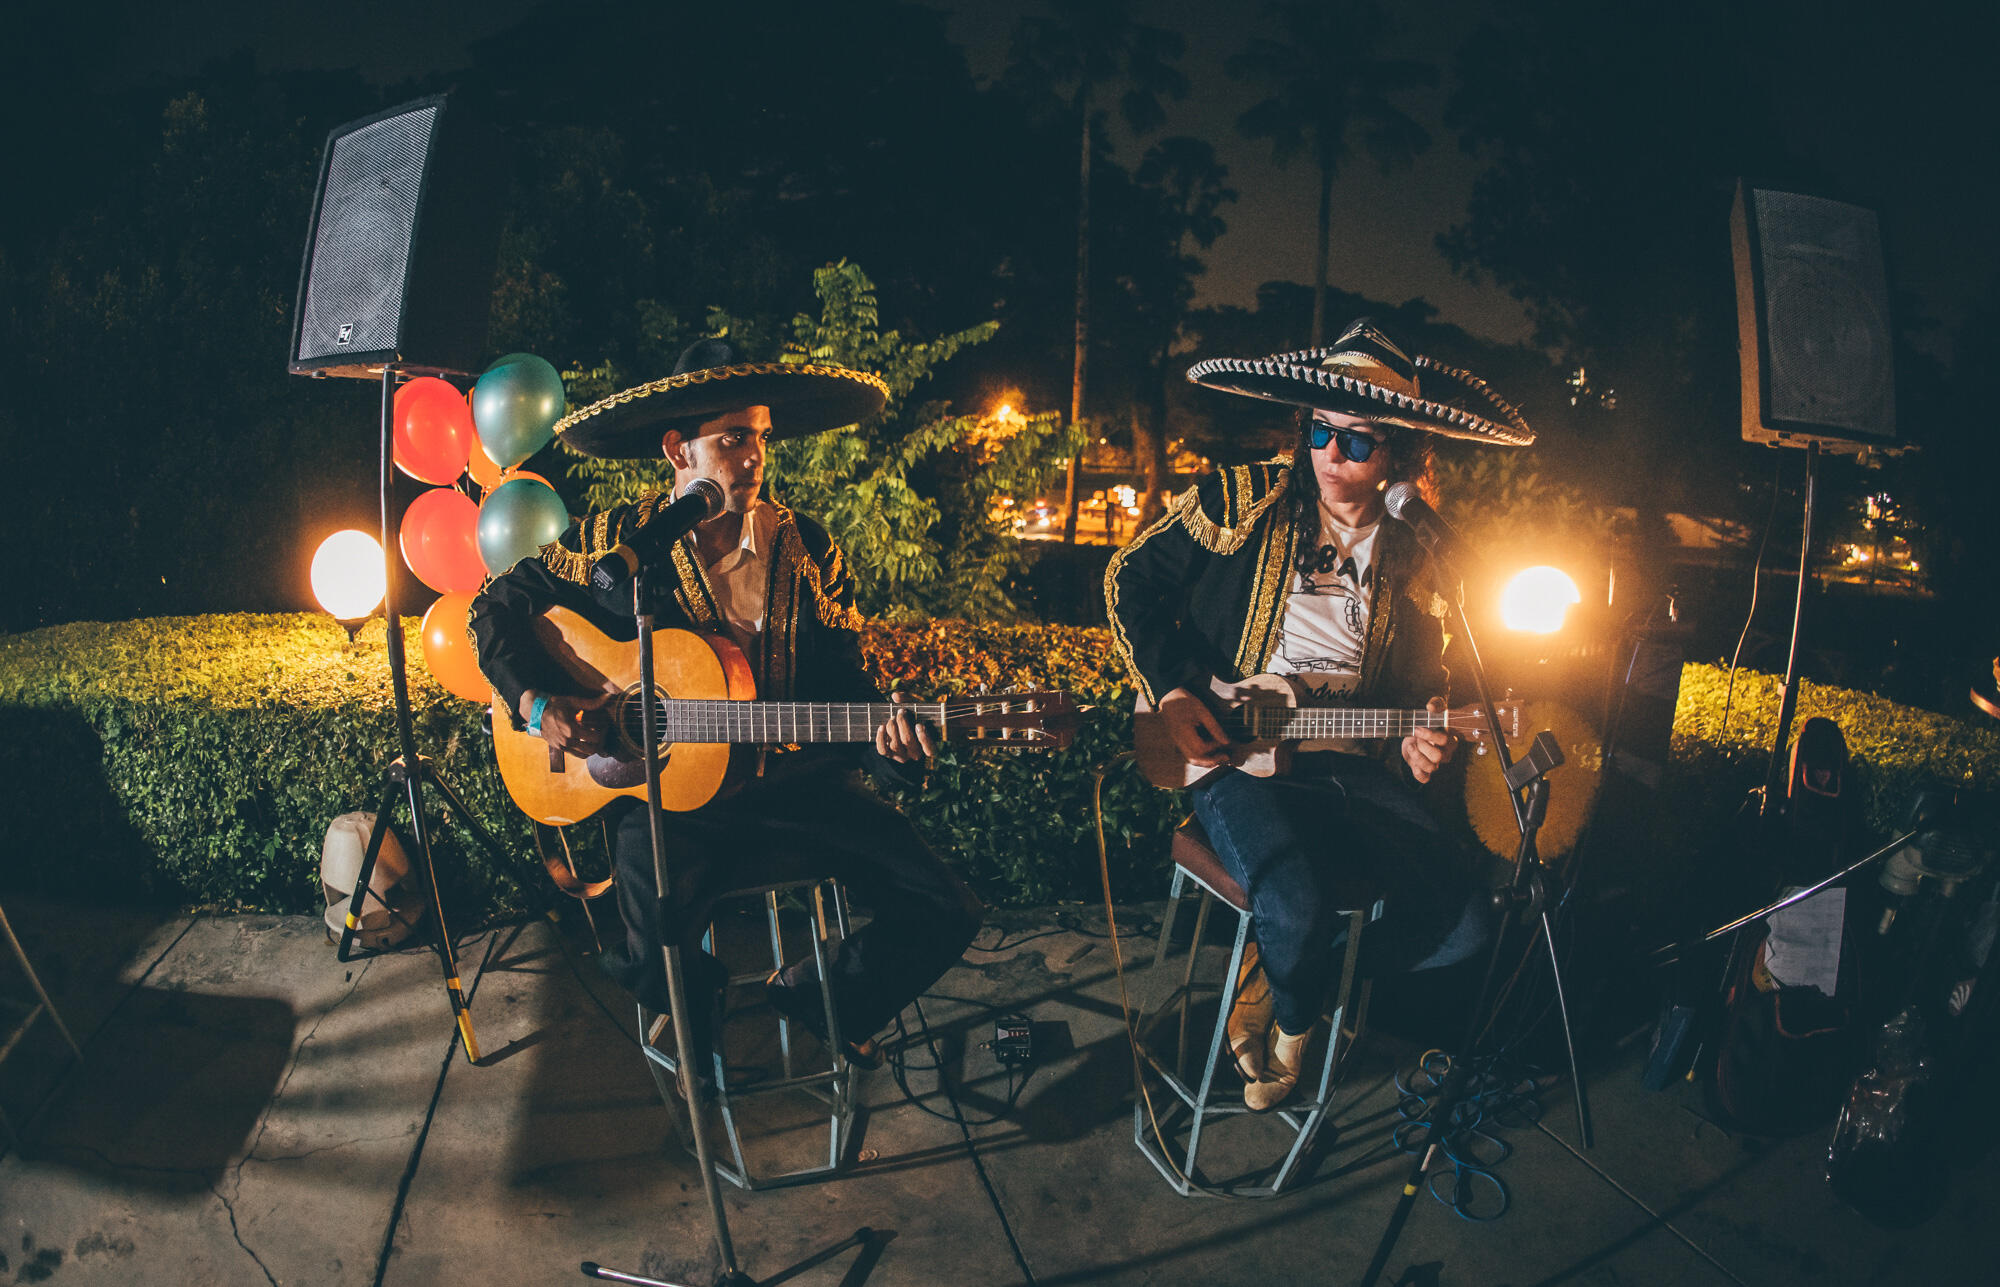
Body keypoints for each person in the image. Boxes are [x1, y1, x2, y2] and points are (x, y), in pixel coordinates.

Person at [471, 339, 984, 1068]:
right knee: (649, 932)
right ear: (678, 450)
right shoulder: (618, 542)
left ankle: (825, 997)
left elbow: (847, 687)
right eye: (734, 438)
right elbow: (493, 610)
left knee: (946, 904)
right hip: (670, 803)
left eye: (762, 438)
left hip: (798, 787)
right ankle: (698, 1024)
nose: (755, 458)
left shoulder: (807, 548)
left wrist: (892, 742)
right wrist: (538, 705)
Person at [1105, 318, 1534, 1111]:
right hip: (1235, 754)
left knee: (1472, 922)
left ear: (1399, 454)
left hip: (1342, 764)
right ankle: (1297, 1021)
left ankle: (1290, 969)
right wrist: (1170, 690)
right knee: (1295, 902)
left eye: (1359, 441)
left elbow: (1416, 696)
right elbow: (1127, 578)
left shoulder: (1415, 553)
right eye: (1320, 432)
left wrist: (1421, 743)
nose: (1334, 454)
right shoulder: (1241, 499)